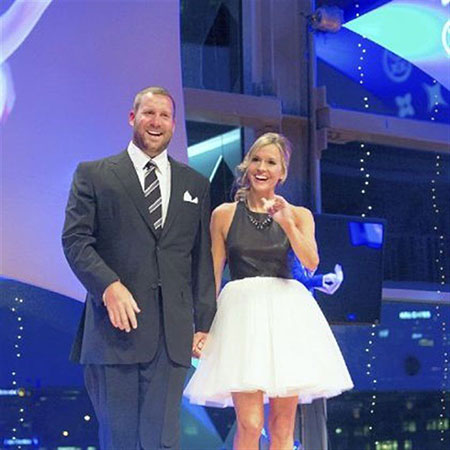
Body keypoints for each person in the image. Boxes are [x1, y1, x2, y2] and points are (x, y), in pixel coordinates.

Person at [62, 86, 216, 449]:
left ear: (174, 125)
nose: (156, 122)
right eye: (149, 113)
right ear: (133, 117)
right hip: (114, 332)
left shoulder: (195, 184)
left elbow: (200, 259)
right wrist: (108, 286)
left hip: (172, 337)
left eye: (164, 115)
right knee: (119, 440)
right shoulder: (94, 174)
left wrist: (205, 325)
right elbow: (75, 240)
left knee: (163, 441)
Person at [184, 132, 353, 450]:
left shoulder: (299, 214)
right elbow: (212, 276)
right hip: (241, 319)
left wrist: (286, 222)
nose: (262, 168)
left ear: (282, 172)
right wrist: (202, 327)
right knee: (250, 424)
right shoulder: (223, 215)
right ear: (247, 165)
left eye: (271, 162)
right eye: (256, 160)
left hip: (286, 319)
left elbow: (311, 262)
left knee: (281, 426)